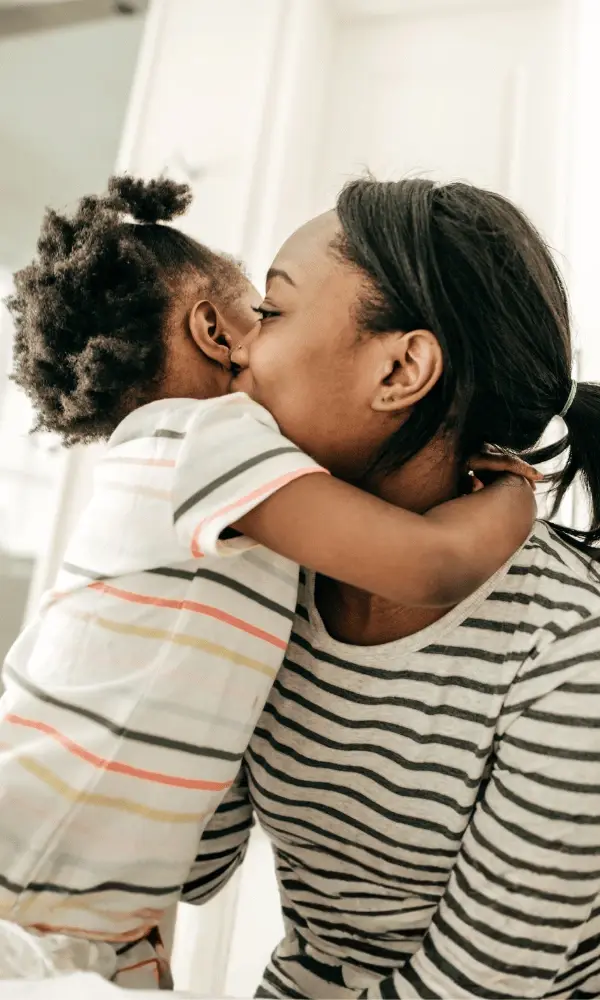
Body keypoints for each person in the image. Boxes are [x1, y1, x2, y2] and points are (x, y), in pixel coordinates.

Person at [0, 177, 535, 989]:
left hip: (95, 917)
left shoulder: (207, 483)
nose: (261, 336)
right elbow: (430, 565)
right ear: (219, 331)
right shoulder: (209, 435)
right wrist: (516, 493)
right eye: (267, 308)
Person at [180, 178, 600, 1000]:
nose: (236, 350)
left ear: (401, 369)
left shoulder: (570, 649)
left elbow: (480, 986)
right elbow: (191, 865)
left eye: (270, 310)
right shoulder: (266, 572)